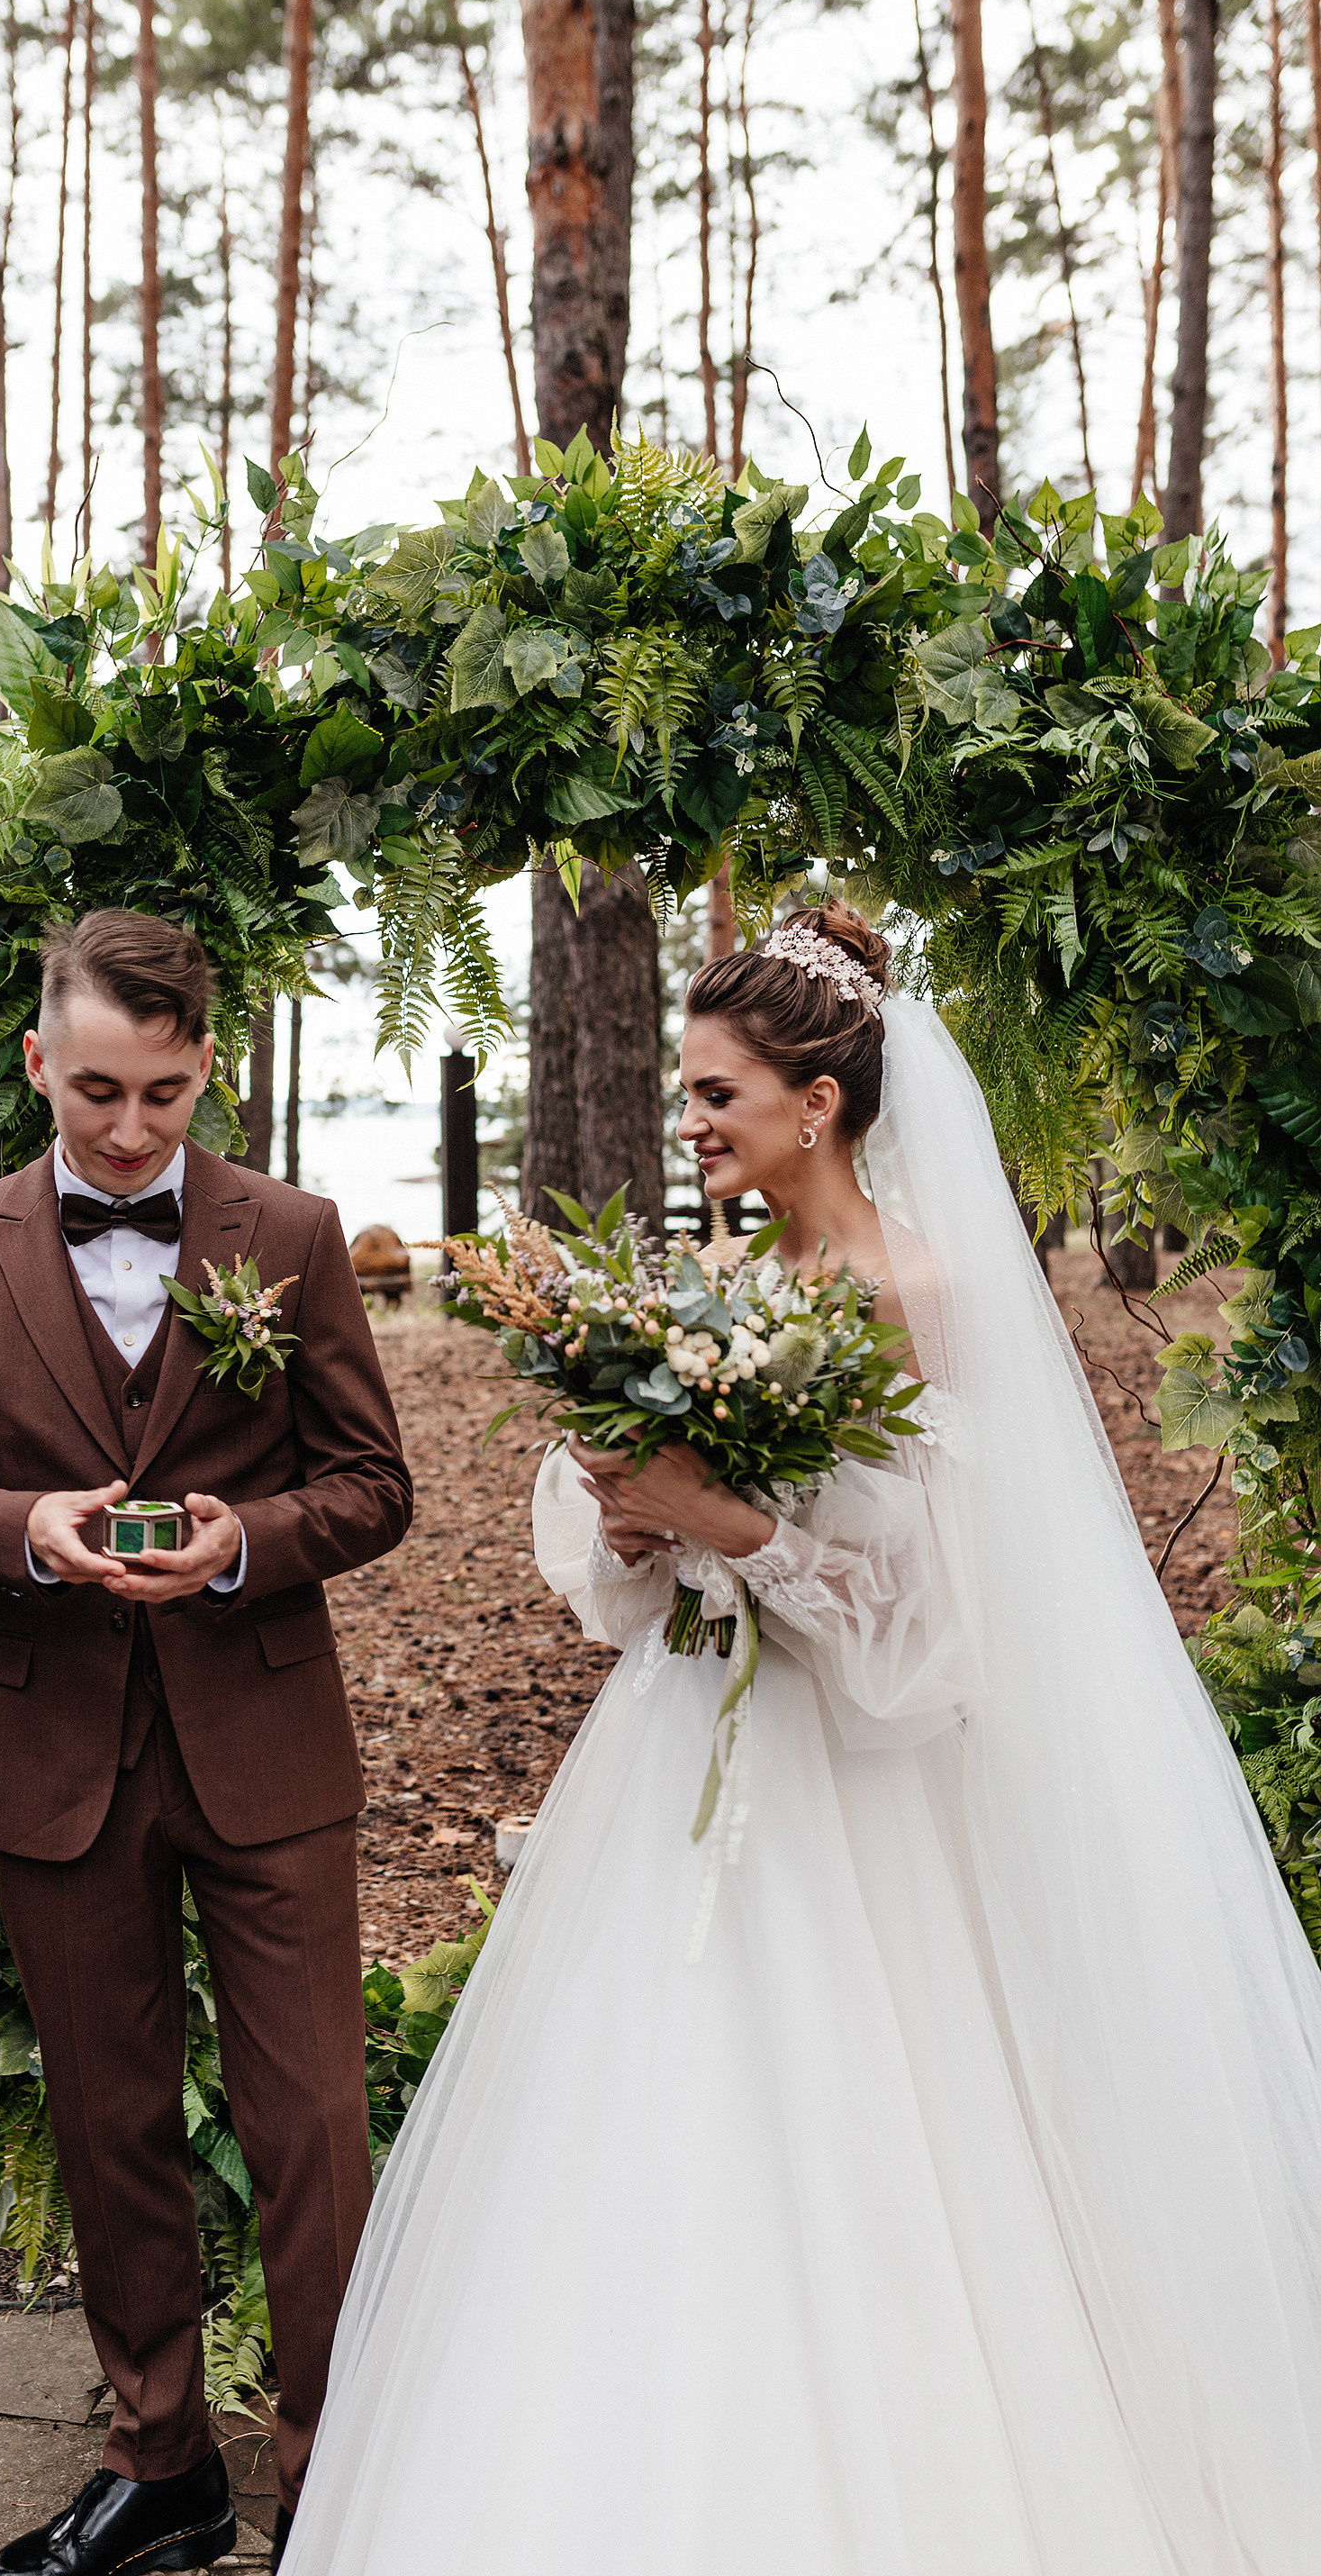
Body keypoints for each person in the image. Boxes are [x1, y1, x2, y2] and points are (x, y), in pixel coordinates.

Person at [281, 903, 1321, 2575]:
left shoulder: (919, 1294)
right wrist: (636, 1525)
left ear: (817, 1103)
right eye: (689, 1096)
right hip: (682, 1753)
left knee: (875, 2149)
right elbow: (642, 1545)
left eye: (715, 1093)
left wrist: (736, 1526)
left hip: (862, 1796)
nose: (689, 1124)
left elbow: (943, 1630)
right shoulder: (716, 1283)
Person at [0, 910, 412, 2576]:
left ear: (205, 1074)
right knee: (111, 2121)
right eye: (97, 1089)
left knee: (309, 2114)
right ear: (38, 1060)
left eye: (165, 1097)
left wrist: (238, 1541)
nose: (127, 1130)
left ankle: (335, 2469)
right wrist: (30, 1525)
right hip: (62, 1752)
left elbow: (374, 1484)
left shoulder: (295, 1232)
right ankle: (159, 2464)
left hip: (264, 1741)